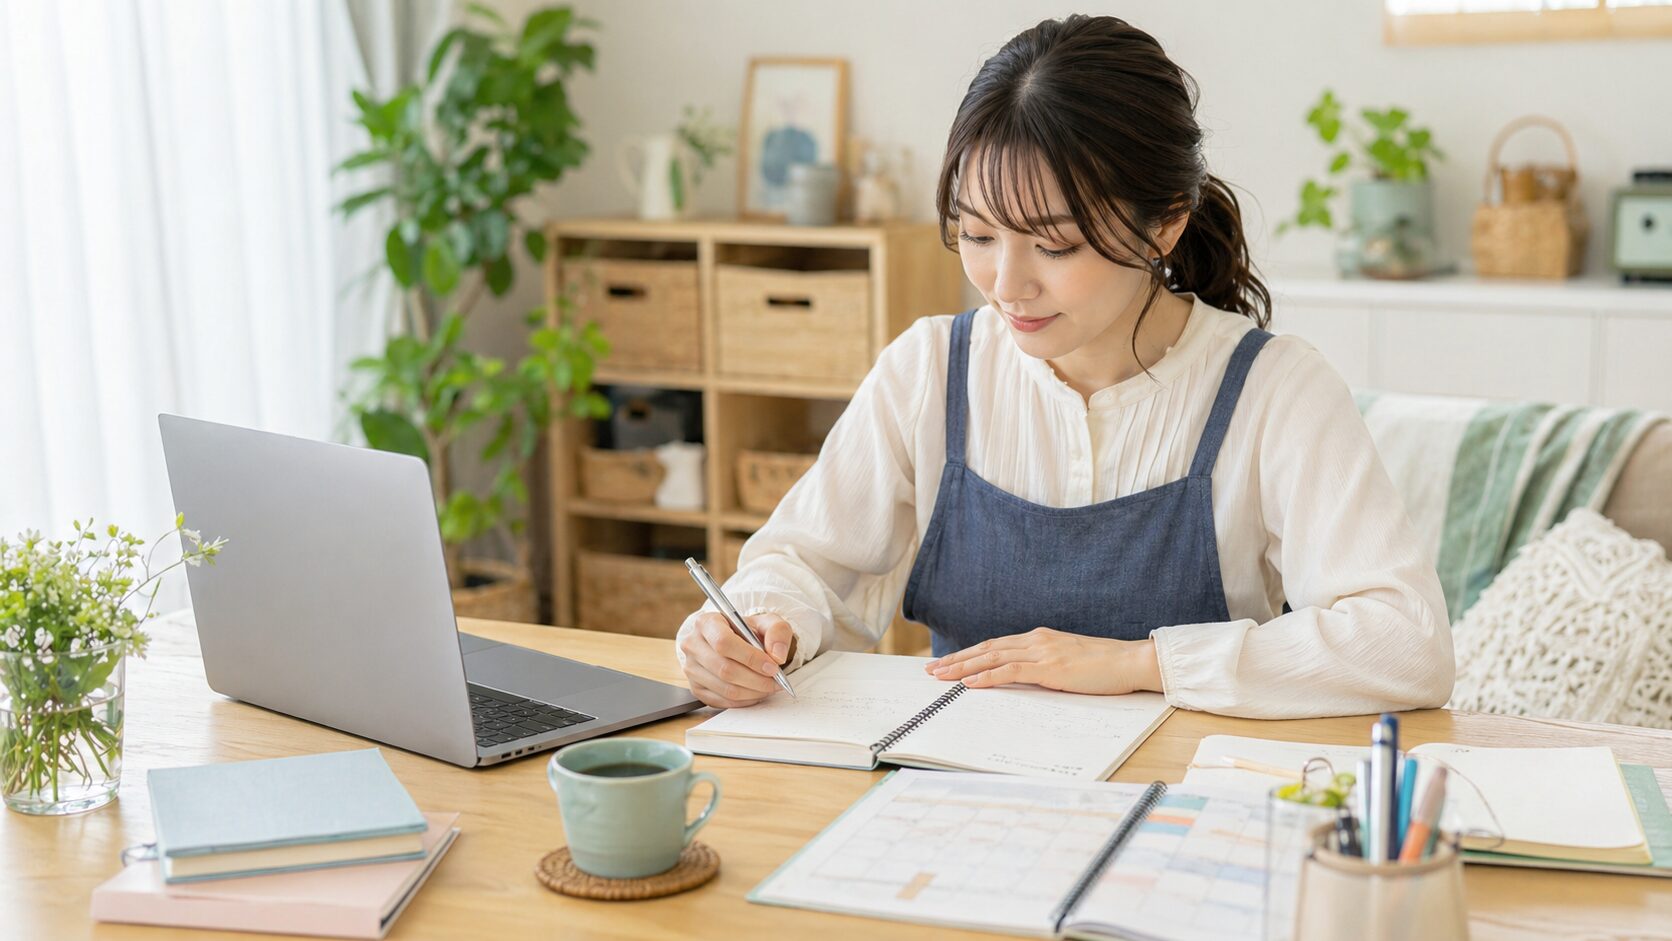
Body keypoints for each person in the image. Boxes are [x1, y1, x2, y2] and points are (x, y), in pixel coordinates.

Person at [675, 14, 1452, 719]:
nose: (1006, 286)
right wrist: (753, 626)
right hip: (952, 797)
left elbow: (1407, 643)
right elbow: (804, 565)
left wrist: (1141, 664)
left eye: (1054, 245)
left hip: (1186, 810)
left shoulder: (1273, 389)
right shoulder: (929, 371)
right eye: (977, 235)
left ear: (1165, 225)